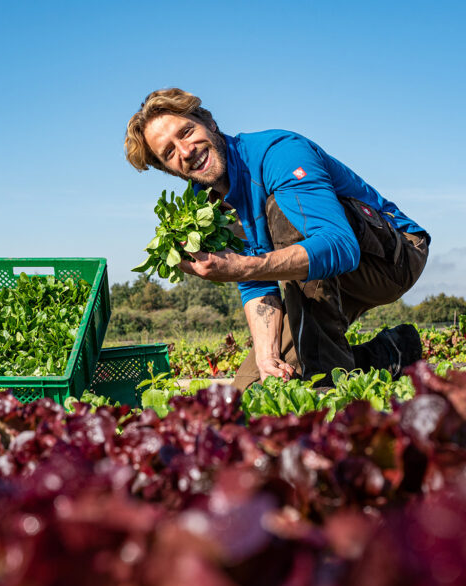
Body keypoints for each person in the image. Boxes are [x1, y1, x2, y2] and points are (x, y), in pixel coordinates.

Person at [124, 88, 430, 390]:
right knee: (256, 388)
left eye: (187, 131)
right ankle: (392, 353)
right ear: (168, 169)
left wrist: (242, 267)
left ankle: (327, 391)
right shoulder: (205, 202)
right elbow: (256, 280)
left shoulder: (278, 153)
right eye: (169, 152)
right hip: (320, 281)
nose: (186, 151)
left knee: (282, 212)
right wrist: (267, 355)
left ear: (209, 121)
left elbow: (340, 246)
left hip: (391, 258)